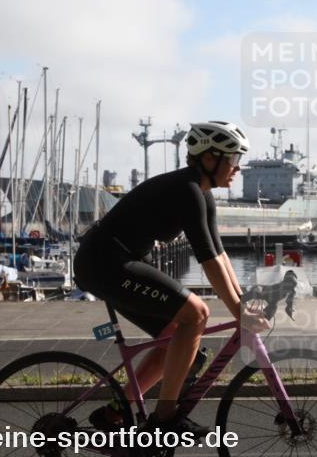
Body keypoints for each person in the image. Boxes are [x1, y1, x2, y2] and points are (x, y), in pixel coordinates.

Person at [73, 121, 269, 436]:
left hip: (120, 259)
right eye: (232, 159)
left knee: (175, 334)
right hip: (104, 262)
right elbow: (207, 260)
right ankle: (165, 416)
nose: (237, 168)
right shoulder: (187, 191)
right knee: (196, 314)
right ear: (209, 158)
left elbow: (220, 256)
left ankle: (113, 414)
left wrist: (242, 303)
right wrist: (238, 312)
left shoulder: (202, 194)